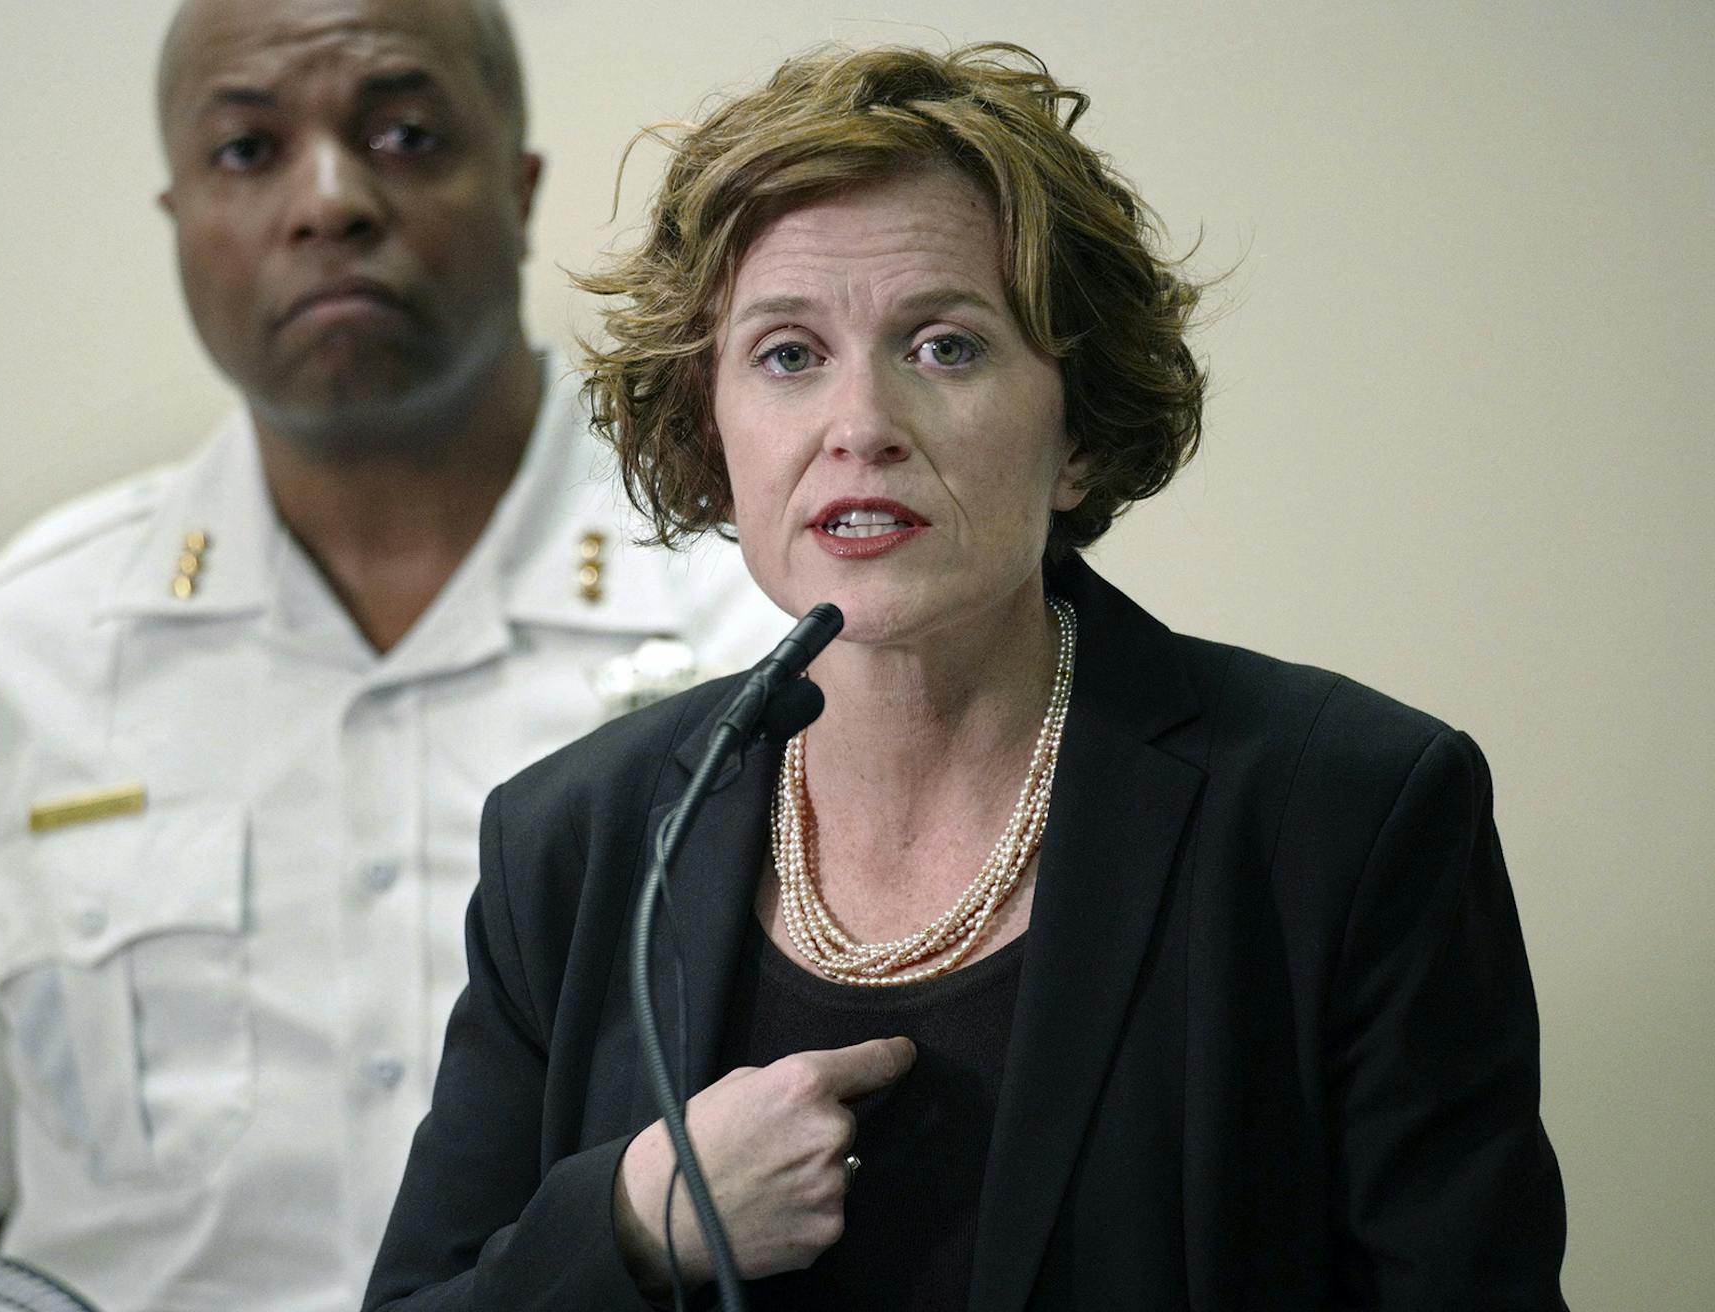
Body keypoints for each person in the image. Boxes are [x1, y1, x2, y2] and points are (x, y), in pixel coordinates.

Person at [365, 41, 1569, 1311]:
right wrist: (634, 1222)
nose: (861, 425)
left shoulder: (1346, 815)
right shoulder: (575, 845)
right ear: (709, 433)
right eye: (788, 355)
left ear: (1078, 432)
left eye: (944, 346)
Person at [0, 1, 776, 1308]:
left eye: (404, 134)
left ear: (522, 187)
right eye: (248, 150)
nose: (329, 201)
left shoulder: (766, 631)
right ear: (179, 216)